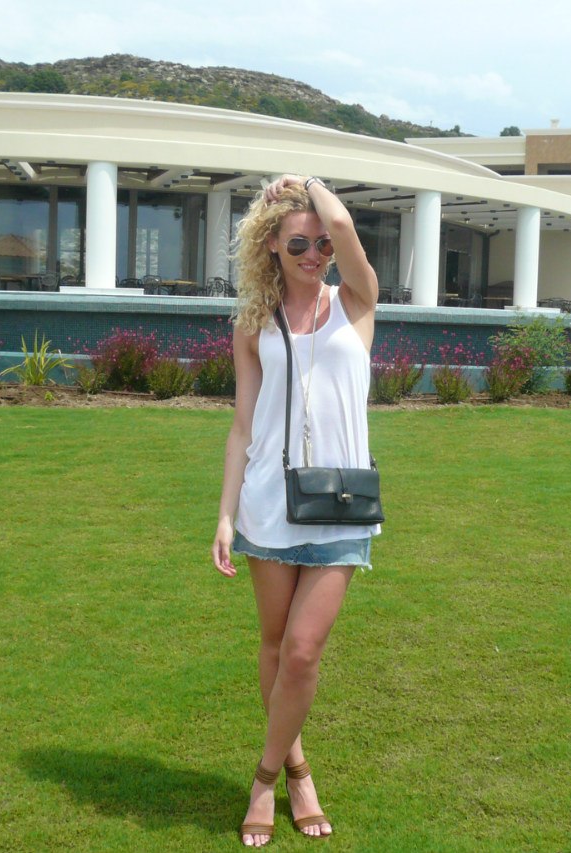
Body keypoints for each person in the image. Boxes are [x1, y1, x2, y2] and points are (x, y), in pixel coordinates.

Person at [211, 174, 380, 847]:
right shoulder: (254, 323)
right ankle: (299, 767)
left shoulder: (357, 302)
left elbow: (343, 225)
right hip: (268, 504)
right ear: (272, 247)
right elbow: (242, 426)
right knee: (276, 645)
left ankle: (265, 778)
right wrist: (225, 515)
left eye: (321, 244)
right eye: (298, 243)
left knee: (304, 652)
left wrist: (308, 183)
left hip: (343, 505)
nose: (315, 253)